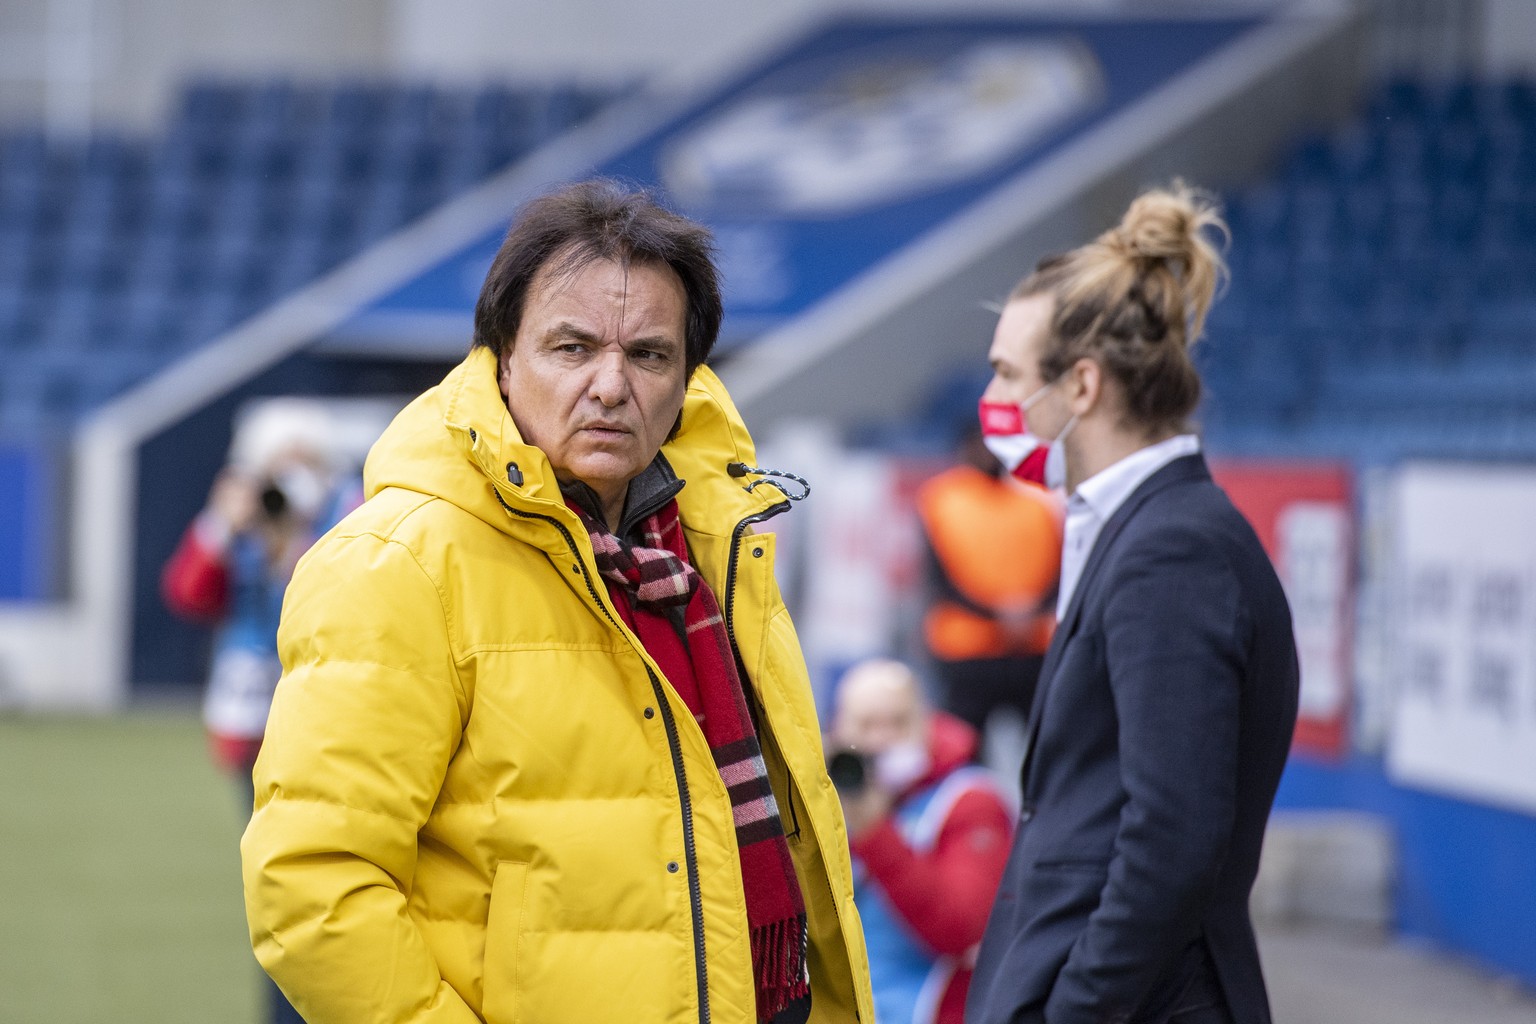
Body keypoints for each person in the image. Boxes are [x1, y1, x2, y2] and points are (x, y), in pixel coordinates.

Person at [240, 180, 874, 1024]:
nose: (612, 386)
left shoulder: (722, 546)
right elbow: (312, 887)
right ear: (502, 360)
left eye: (648, 354)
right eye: (572, 348)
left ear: (688, 378)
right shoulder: (395, 562)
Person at [965, 184, 1300, 1024]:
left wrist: (1072, 1010)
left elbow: (1174, 840)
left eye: (1008, 372)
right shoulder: (1139, 530)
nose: (994, 397)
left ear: (1081, 384)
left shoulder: (1174, 552)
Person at [162, 398, 358, 1024]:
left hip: (331, 727)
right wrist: (221, 525)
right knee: (275, 884)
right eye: (278, 466)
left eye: (304, 463)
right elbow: (188, 593)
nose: (290, 479)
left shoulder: (349, 515)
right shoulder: (240, 525)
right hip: (254, 729)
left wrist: (301, 544)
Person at [829, 658, 1013, 1024]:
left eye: (897, 722)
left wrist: (875, 831)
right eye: (866, 725)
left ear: (925, 722)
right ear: (837, 730)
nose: (881, 739)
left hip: (929, 1010)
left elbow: (960, 929)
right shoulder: (826, 800)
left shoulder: (971, 799)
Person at [914, 425, 1062, 754]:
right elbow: (940, 580)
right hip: (968, 649)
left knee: (1047, 752)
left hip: (1031, 649)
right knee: (963, 751)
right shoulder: (942, 499)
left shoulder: (1035, 502)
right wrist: (1001, 614)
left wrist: (1031, 611)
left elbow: (1058, 571)